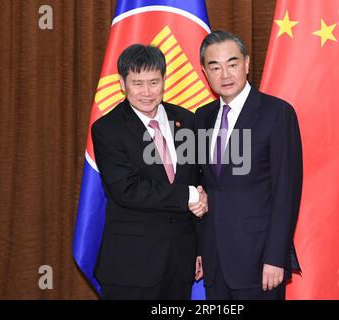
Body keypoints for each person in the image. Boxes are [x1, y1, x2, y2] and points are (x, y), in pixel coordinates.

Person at [91, 44, 207, 299]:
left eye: (154, 82)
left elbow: (197, 182)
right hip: (131, 268)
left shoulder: (187, 121)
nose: (146, 92)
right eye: (137, 83)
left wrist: (200, 248)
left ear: (165, 80)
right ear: (122, 83)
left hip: (180, 262)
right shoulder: (107, 129)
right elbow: (128, 190)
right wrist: (188, 195)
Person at [195, 31, 303, 300]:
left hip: (259, 260)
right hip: (214, 258)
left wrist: (276, 257)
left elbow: (286, 191)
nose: (225, 74)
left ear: (246, 63)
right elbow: (204, 185)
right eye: (215, 67)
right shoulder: (202, 117)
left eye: (232, 64)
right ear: (205, 72)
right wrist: (198, 248)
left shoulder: (277, 114)